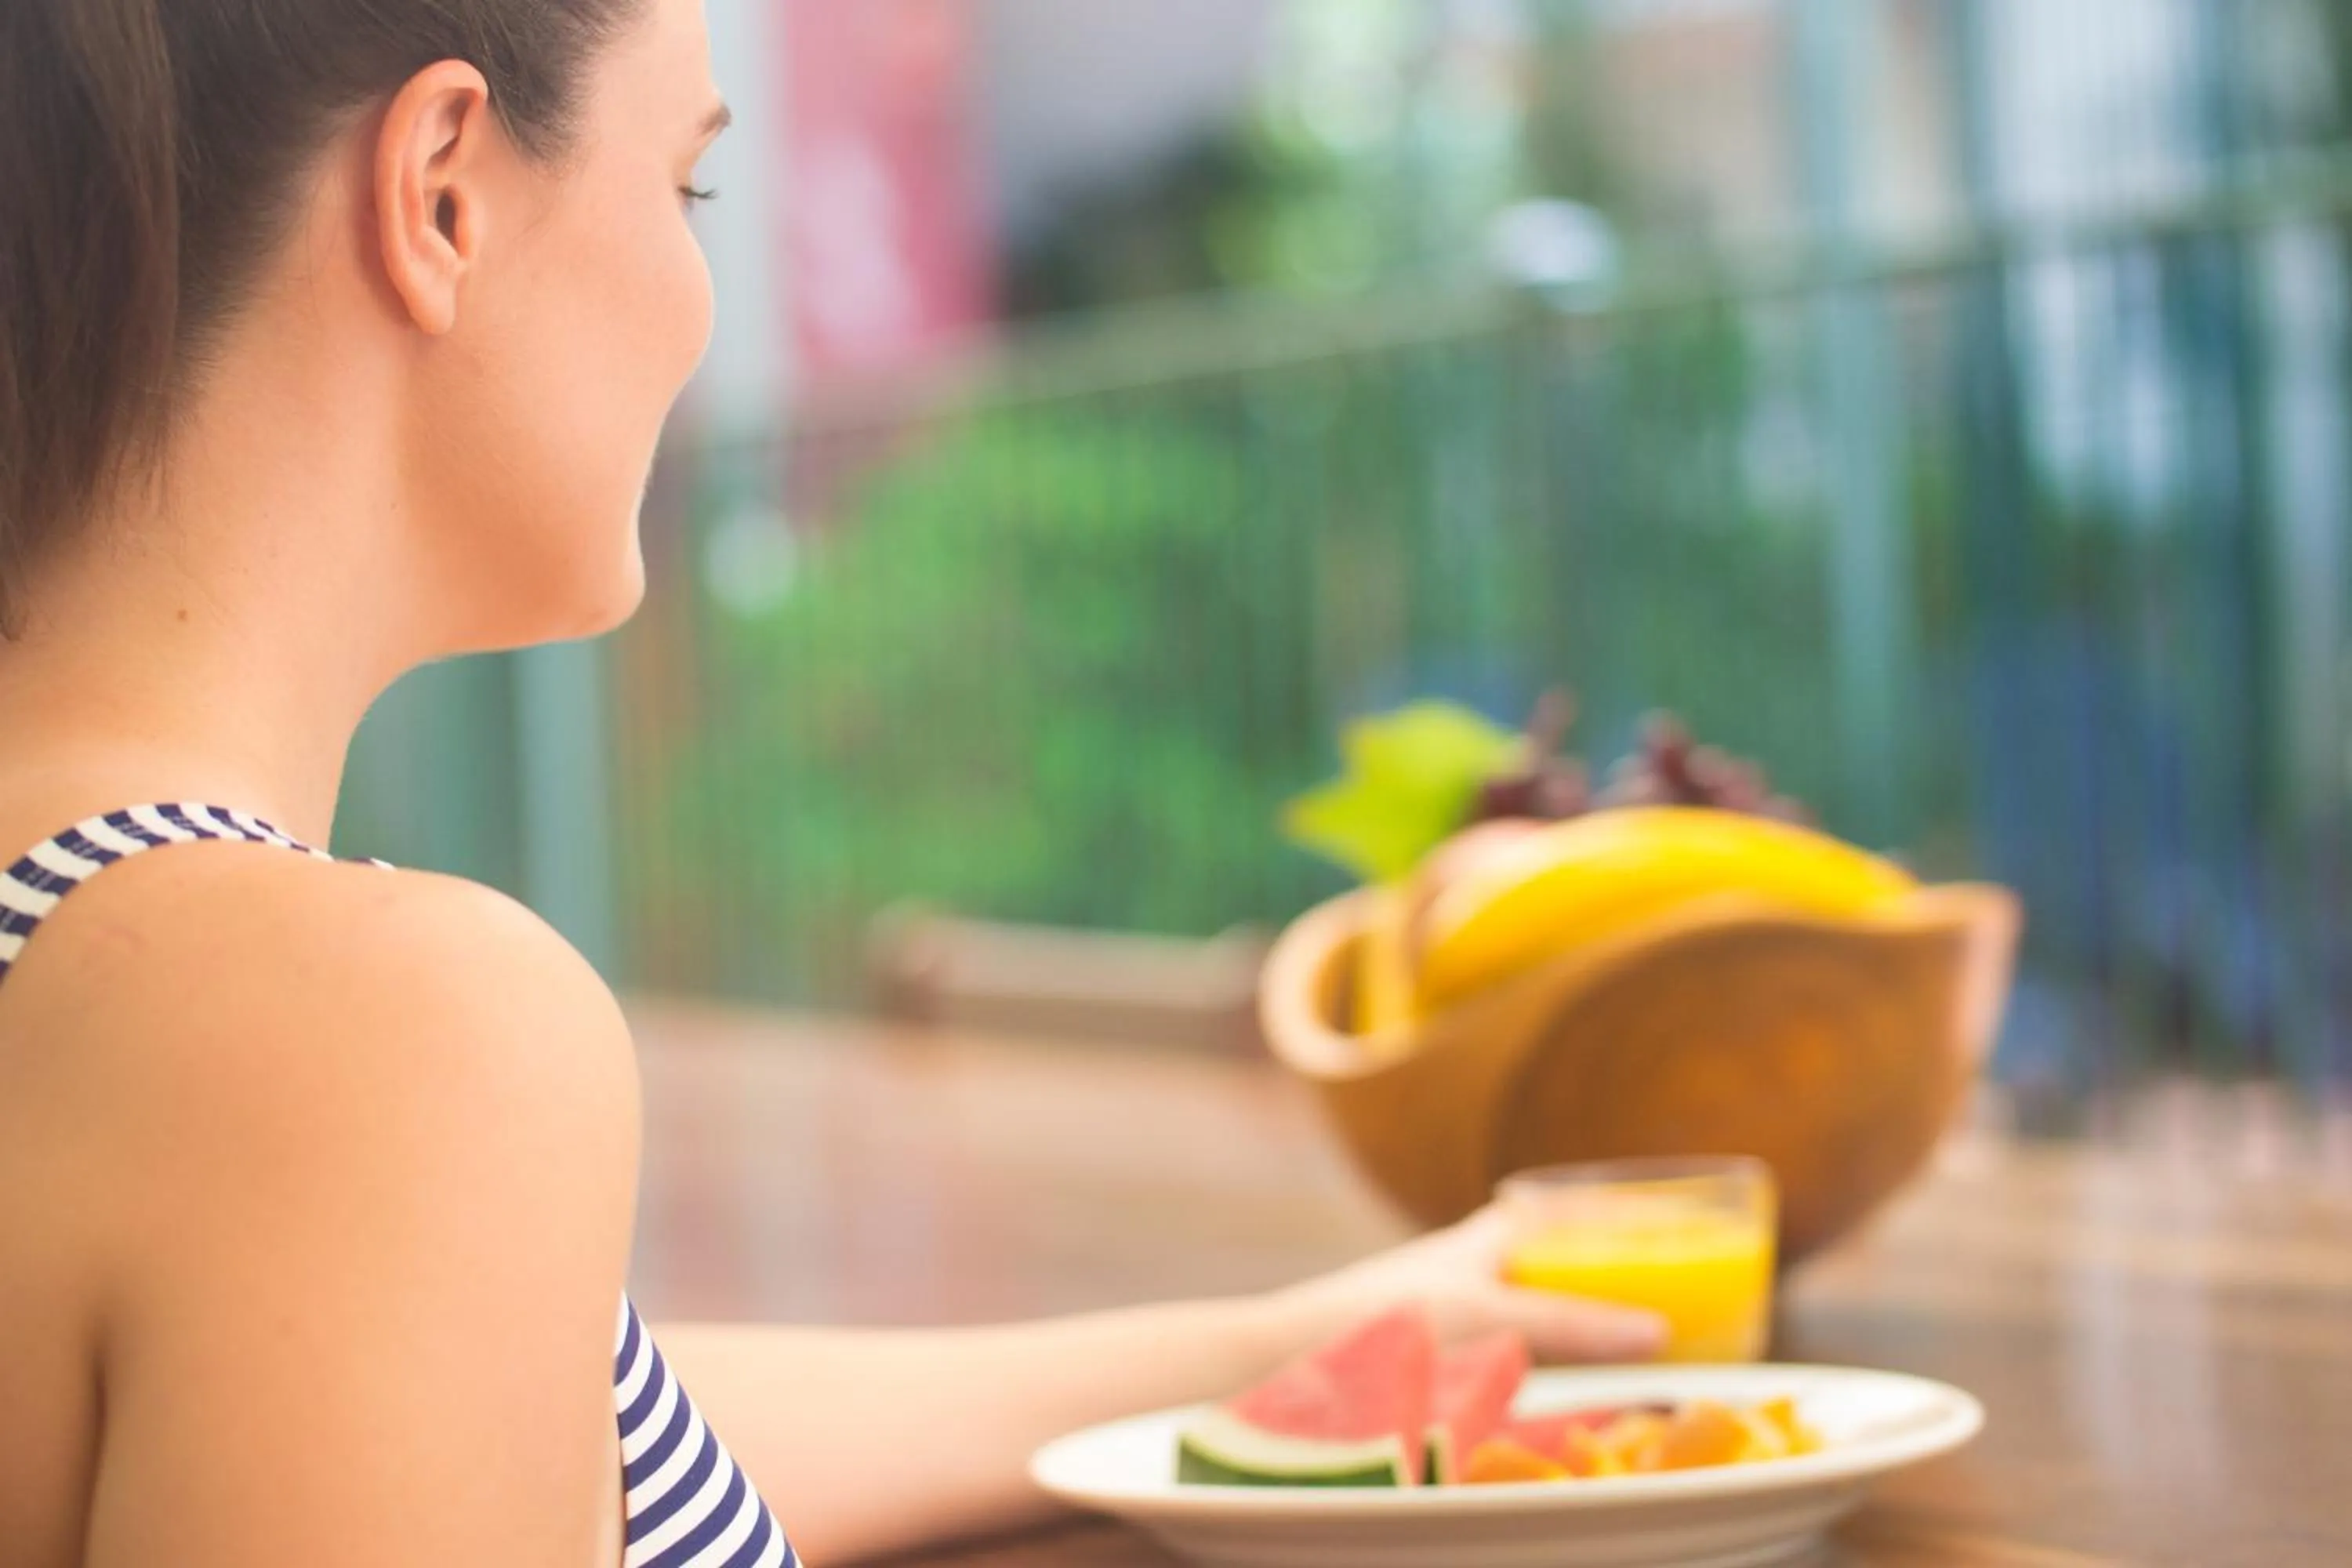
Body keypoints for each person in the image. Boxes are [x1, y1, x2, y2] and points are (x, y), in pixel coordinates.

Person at [0, 1, 1666, 1563]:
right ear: (442, 195)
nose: (700, 298)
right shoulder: (366, 1040)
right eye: (688, 179)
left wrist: (1295, 1346)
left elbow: (543, 1423)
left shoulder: (165, 1018)